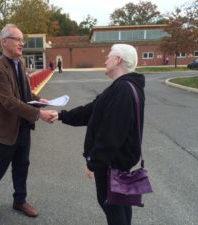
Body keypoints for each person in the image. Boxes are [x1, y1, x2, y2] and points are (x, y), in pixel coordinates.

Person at [51, 44, 145, 225]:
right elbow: (93, 110)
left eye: (109, 56)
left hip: (112, 163)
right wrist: (61, 115)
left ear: (118, 60)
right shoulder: (123, 86)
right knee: (120, 204)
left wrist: (94, 162)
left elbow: (111, 135)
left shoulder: (123, 90)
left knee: (112, 206)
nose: (105, 59)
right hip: (119, 161)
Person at [0, 24, 56, 225]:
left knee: (22, 166)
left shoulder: (19, 63)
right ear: (4, 42)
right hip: (3, 130)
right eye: (17, 39)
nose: (22, 43)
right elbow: (9, 102)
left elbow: (24, 93)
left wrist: (40, 100)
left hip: (22, 127)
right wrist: (39, 113)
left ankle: (19, 201)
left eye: (23, 39)